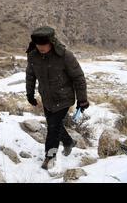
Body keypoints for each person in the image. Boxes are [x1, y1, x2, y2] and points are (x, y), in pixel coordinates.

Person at [25, 26, 89, 170]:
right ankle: (68, 142)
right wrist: (29, 93)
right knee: (55, 125)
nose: (41, 48)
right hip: (47, 99)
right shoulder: (33, 56)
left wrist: (82, 99)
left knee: (52, 128)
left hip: (64, 98)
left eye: (44, 45)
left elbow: (78, 78)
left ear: (52, 42)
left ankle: (50, 156)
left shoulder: (65, 56)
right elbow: (30, 75)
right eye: (38, 45)